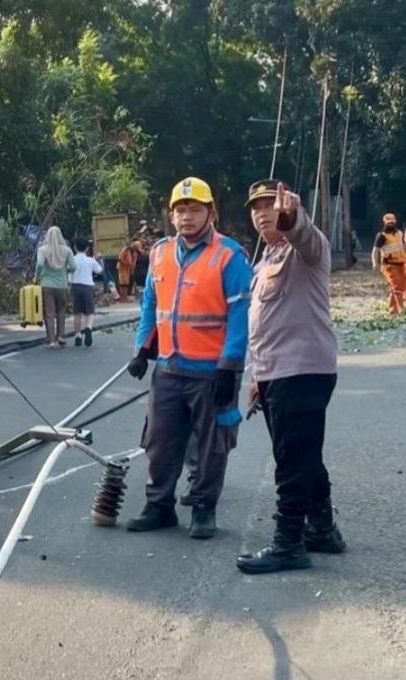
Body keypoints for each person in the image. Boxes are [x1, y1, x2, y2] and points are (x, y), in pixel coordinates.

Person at [124, 177, 250, 539]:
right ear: (171, 215)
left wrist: (230, 364)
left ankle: (203, 508)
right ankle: (159, 506)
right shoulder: (160, 253)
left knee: (212, 446)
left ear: (211, 212)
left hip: (213, 372)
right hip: (168, 368)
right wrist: (140, 349)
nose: (187, 217)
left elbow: (241, 314)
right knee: (160, 442)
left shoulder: (230, 256)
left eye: (195, 209)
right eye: (180, 210)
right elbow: (151, 304)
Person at [235, 180, 344, 574]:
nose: (263, 212)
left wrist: (293, 216)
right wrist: (257, 378)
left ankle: (288, 544)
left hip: (303, 370)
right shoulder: (265, 260)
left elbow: (305, 235)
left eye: (269, 205)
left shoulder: (307, 251)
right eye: (256, 207)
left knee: (291, 462)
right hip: (276, 373)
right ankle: (322, 529)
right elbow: (265, 325)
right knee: (303, 455)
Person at [35, 226, 75, 348]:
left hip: (46, 285)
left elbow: (40, 264)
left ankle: (51, 340)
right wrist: (65, 270)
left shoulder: (43, 250)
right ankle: (61, 336)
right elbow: (73, 266)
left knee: (49, 312)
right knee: (61, 311)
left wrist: (37, 276)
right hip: (62, 285)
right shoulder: (67, 250)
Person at [69, 238, 103, 347]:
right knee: (90, 311)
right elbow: (100, 271)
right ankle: (88, 327)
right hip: (88, 286)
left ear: (74, 247)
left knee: (77, 312)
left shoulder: (72, 260)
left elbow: (67, 269)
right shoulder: (90, 260)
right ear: (87, 248)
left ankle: (78, 335)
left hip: (75, 285)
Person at [372, 214, 406, 315]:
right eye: (389, 223)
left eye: (392, 222)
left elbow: (404, 246)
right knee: (397, 285)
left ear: (395, 222)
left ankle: (393, 310)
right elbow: (375, 250)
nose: (391, 224)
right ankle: (401, 309)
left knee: (400, 286)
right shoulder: (382, 236)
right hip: (389, 265)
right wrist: (375, 263)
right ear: (385, 223)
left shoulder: (400, 234)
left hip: (400, 264)